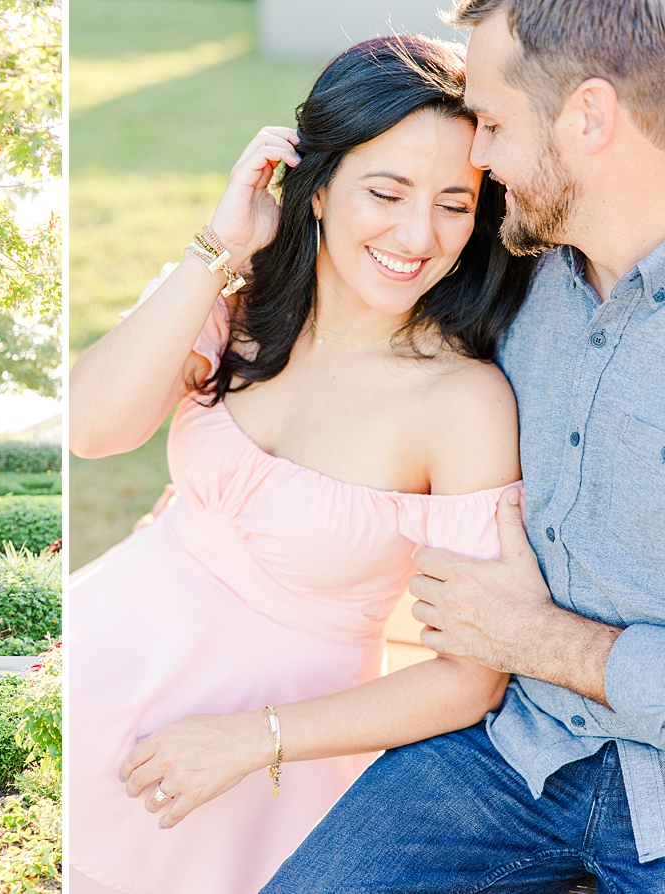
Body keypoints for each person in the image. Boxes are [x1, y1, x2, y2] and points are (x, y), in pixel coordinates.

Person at [67, 33, 539, 894]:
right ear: (316, 188)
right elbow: (94, 428)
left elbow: (471, 677)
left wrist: (258, 738)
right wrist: (219, 246)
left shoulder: (459, 403)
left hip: (255, 763)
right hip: (98, 666)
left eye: (453, 204)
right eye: (385, 192)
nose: (416, 234)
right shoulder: (240, 302)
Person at [262, 2, 665, 891]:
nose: (472, 158)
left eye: (489, 122)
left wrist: (545, 642)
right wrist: (235, 249)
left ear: (589, 117)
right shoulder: (515, 264)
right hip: (516, 752)